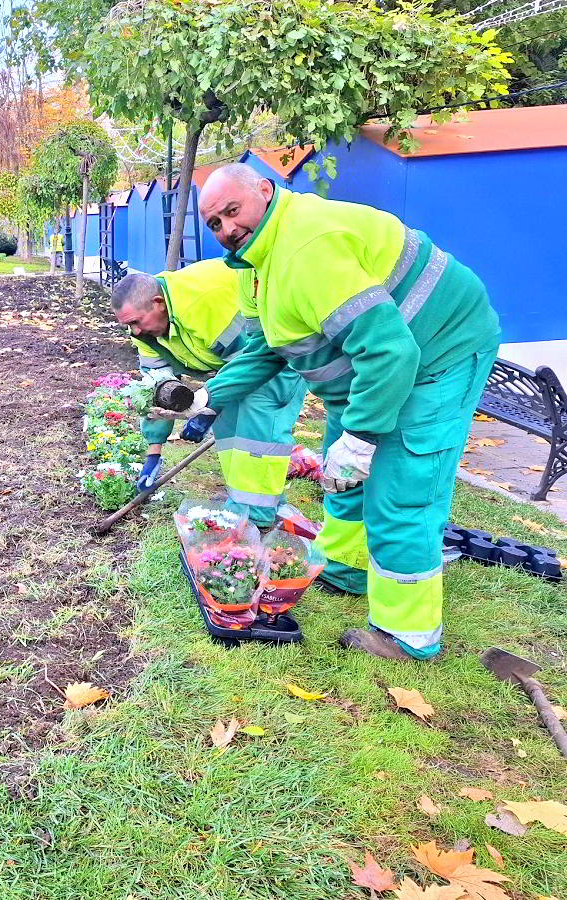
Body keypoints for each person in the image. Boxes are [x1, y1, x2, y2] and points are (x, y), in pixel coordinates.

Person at [181, 163, 499, 661]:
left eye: (232, 211)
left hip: (438, 352)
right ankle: (347, 569)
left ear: (264, 191)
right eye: (214, 223)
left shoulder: (306, 248)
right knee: (340, 475)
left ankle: (406, 634)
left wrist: (362, 435)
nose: (226, 229)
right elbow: (266, 348)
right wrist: (209, 397)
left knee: (400, 490)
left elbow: (391, 352)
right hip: (380, 366)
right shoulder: (255, 267)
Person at [112, 261, 307, 527]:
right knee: (229, 434)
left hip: (274, 355)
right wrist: (154, 452)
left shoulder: (202, 303)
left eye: (136, 322)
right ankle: (243, 504)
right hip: (232, 367)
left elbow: (256, 363)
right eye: (127, 325)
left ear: (158, 303)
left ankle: (258, 520)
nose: (134, 332)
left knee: (256, 433)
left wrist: (210, 404)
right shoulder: (143, 330)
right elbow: (156, 391)